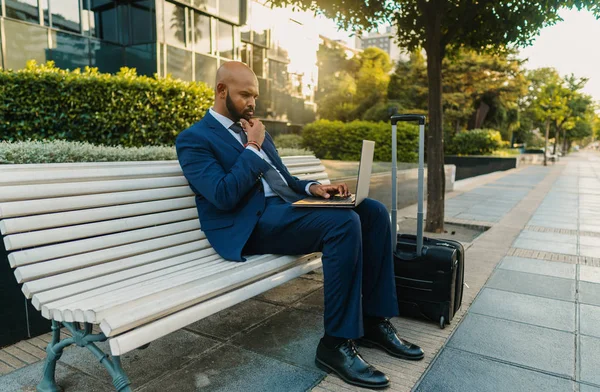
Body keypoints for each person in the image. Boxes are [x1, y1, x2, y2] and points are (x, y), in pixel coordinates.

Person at [176, 61, 424, 389]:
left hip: (284, 209)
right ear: (221, 91)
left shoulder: (254, 128)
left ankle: (375, 321)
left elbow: (283, 178)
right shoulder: (194, 139)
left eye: (256, 96)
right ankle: (335, 344)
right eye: (245, 94)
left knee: (374, 212)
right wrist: (252, 146)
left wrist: (313, 189)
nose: (252, 103)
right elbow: (223, 195)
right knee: (343, 224)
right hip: (248, 224)